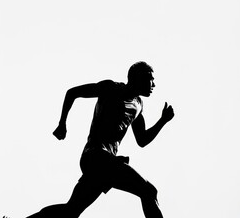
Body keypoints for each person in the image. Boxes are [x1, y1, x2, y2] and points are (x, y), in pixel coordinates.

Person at [24, 61, 174, 218]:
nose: (154, 84)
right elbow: (72, 92)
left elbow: (142, 140)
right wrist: (62, 124)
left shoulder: (138, 105)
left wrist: (162, 121)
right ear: (137, 78)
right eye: (150, 79)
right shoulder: (110, 88)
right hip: (95, 156)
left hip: (105, 163)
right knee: (148, 191)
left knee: (70, 211)